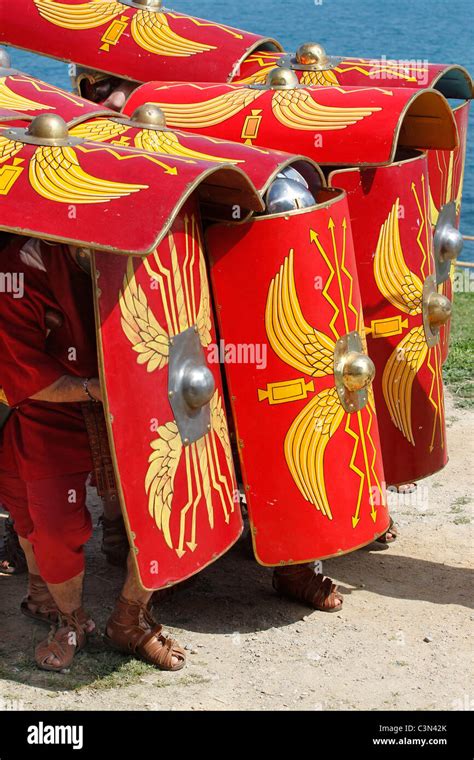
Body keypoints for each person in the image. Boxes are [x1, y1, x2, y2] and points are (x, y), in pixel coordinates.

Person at [0, 233, 186, 671]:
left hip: (144, 394)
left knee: (167, 502)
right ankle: (69, 620)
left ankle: (131, 619)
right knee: (51, 522)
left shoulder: (163, 246)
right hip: (54, 407)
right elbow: (22, 372)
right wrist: (92, 388)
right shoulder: (21, 267)